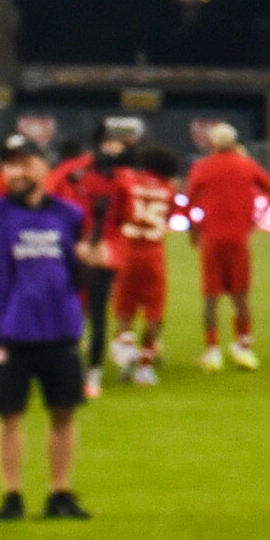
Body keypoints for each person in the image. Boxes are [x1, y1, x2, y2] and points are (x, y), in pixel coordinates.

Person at [0, 138, 95, 520]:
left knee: (64, 413)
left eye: (25, 163)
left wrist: (89, 263)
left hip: (60, 327)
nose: (16, 172)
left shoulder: (69, 215)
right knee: (9, 415)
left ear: (45, 167)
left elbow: (76, 272)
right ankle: (12, 495)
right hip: (11, 330)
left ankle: (60, 492)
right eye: (9, 165)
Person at [185, 123, 270, 366]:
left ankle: (213, 351)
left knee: (211, 298)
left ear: (213, 143)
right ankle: (244, 346)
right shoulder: (247, 164)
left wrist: (195, 228)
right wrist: (255, 218)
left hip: (212, 239)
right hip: (239, 239)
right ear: (234, 142)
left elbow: (189, 201)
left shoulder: (202, 167)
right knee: (241, 297)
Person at [111, 145, 179, 383]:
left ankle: (126, 347)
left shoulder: (130, 182)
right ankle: (146, 366)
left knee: (125, 309)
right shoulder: (169, 189)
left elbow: (117, 212)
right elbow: (169, 215)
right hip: (153, 256)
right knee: (154, 312)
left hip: (128, 252)